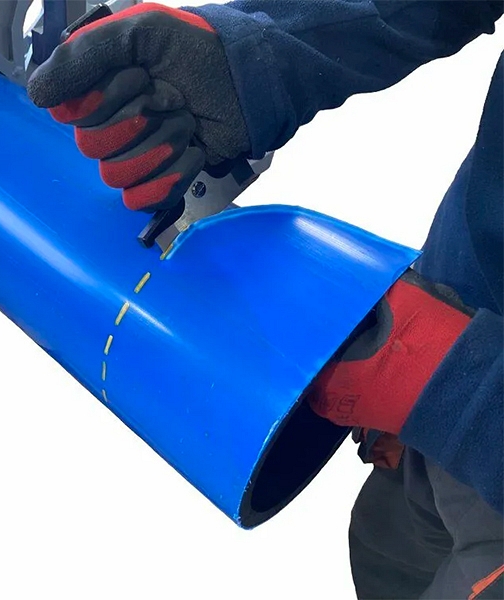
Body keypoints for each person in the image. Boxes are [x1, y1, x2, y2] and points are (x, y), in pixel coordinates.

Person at [26, 1, 504, 598]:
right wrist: (251, 58)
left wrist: (471, 400)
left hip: (463, 398)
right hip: (449, 363)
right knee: (386, 548)